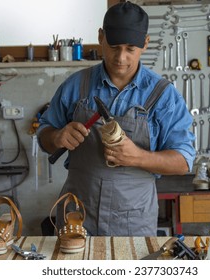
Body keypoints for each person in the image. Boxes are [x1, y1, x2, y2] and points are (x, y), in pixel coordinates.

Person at [37, 1, 196, 236]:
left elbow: (184, 161)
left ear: (145, 43)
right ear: (101, 37)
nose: (121, 58)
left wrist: (138, 157)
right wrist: (57, 136)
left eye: (130, 49)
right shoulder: (76, 86)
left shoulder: (163, 96)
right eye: (114, 46)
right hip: (77, 215)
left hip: (133, 222)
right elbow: (43, 136)